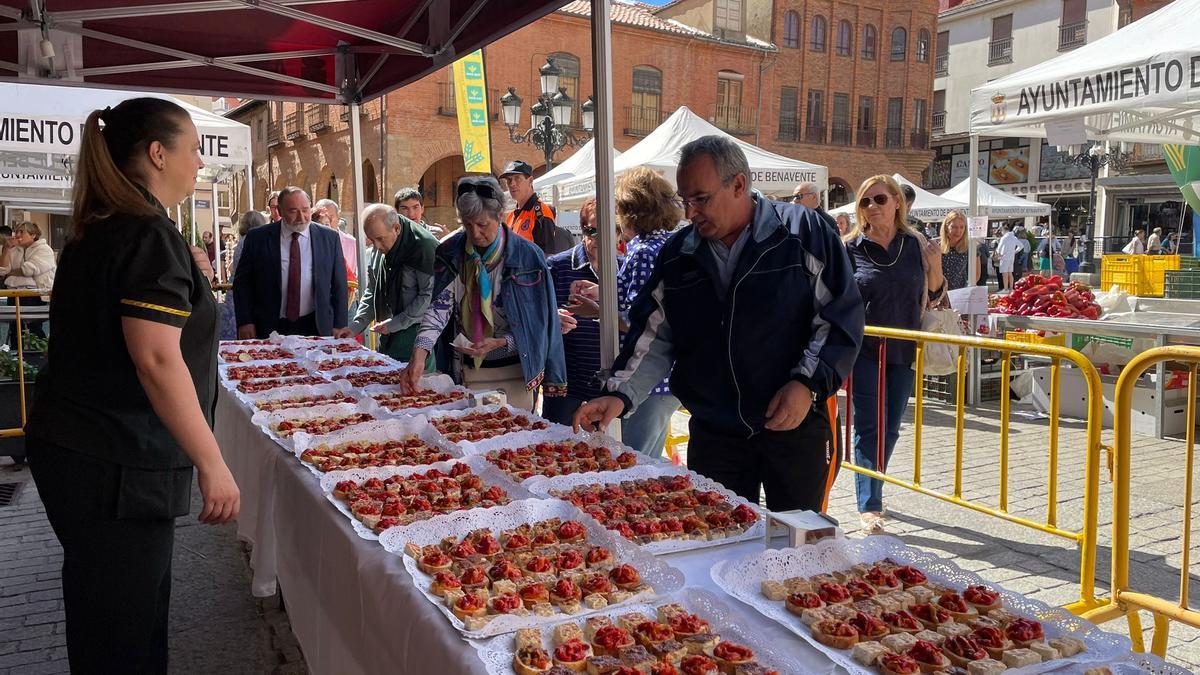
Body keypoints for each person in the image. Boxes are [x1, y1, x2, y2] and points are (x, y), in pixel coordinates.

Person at [24, 97, 239, 673]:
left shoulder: (109, 227)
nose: (199, 162)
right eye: (193, 148)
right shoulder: (144, 234)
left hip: (90, 451)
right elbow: (156, 360)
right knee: (120, 635)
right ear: (157, 152)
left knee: (123, 620)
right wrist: (212, 463)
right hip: (116, 461)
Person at [574, 136, 863, 512]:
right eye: (684, 201)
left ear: (739, 185)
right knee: (715, 539)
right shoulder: (678, 254)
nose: (690, 213)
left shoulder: (803, 233)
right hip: (715, 431)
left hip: (796, 425)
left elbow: (840, 318)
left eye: (701, 199)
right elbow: (654, 335)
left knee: (799, 544)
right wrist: (620, 393)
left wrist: (806, 385)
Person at [401, 175, 567, 411]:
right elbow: (439, 309)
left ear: (499, 216)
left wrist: (503, 342)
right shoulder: (449, 251)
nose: (475, 233)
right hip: (466, 371)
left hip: (516, 371)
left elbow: (540, 324)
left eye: (482, 225)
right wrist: (420, 352)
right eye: (467, 225)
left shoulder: (528, 255)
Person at [844, 175, 944, 534]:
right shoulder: (850, 246)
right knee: (870, 425)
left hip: (904, 348)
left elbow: (934, 294)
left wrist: (936, 267)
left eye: (879, 199)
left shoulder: (915, 244)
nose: (872, 207)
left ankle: (874, 485)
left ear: (897, 203)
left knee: (891, 427)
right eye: (865, 202)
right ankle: (869, 505)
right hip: (865, 350)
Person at [233, 186, 350, 339]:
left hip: (316, 325)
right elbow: (243, 283)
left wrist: (340, 324)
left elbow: (339, 284)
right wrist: (245, 321)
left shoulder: (329, 238)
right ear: (280, 212)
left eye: (305, 210)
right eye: (293, 211)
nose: (301, 217)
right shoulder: (258, 238)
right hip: (269, 324)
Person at [541, 198, 612, 425]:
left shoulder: (623, 267)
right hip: (565, 378)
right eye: (593, 231)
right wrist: (553, 317)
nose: (600, 239)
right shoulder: (557, 266)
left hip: (608, 380)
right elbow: (534, 312)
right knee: (554, 443)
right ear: (582, 230)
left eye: (611, 230)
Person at [349, 203, 439, 369]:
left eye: (380, 239)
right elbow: (373, 289)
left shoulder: (423, 247)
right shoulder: (380, 244)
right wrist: (355, 327)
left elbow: (428, 296)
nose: (376, 246)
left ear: (396, 228)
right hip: (387, 336)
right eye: (371, 239)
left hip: (416, 335)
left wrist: (395, 323)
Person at [0, 221, 57, 345]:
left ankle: (40, 354)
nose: (18, 234)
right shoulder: (14, 250)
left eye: (22, 232)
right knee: (15, 327)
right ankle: (16, 357)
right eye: (17, 231)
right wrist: (6, 250)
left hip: (35, 294)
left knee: (33, 327)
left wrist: (10, 273)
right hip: (14, 293)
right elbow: (3, 270)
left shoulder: (44, 250)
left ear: (33, 235)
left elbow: (29, 269)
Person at [500, 159, 573, 255]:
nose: (512, 184)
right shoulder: (510, 216)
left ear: (530, 181)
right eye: (509, 180)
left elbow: (547, 256)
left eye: (517, 178)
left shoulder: (540, 213)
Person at [938, 211, 981, 291]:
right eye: (954, 227)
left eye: (962, 227)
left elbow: (976, 275)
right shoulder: (936, 247)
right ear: (946, 227)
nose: (958, 231)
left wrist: (966, 290)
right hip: (940, 295)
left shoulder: (970, 247)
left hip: (961, 294)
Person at [314, 198, 358, 273]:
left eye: (331, 217)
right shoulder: (309, 242)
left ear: (338, 217)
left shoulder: (351, 243)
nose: (325, 226)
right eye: (320, 221)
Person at [996, 224, 1021, 291]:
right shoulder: (1014, 237)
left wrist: (998, 254)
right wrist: (1015, 251)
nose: (1001, 232)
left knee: (1005, 273)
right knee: (1010, 273)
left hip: (1004, 257)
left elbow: (999, 248)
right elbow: (1021, 246)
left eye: (1001, 231)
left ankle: (1006, 288)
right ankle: (1011, 288)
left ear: (1004, 230)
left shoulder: (1004, 238)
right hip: (1011, 257)